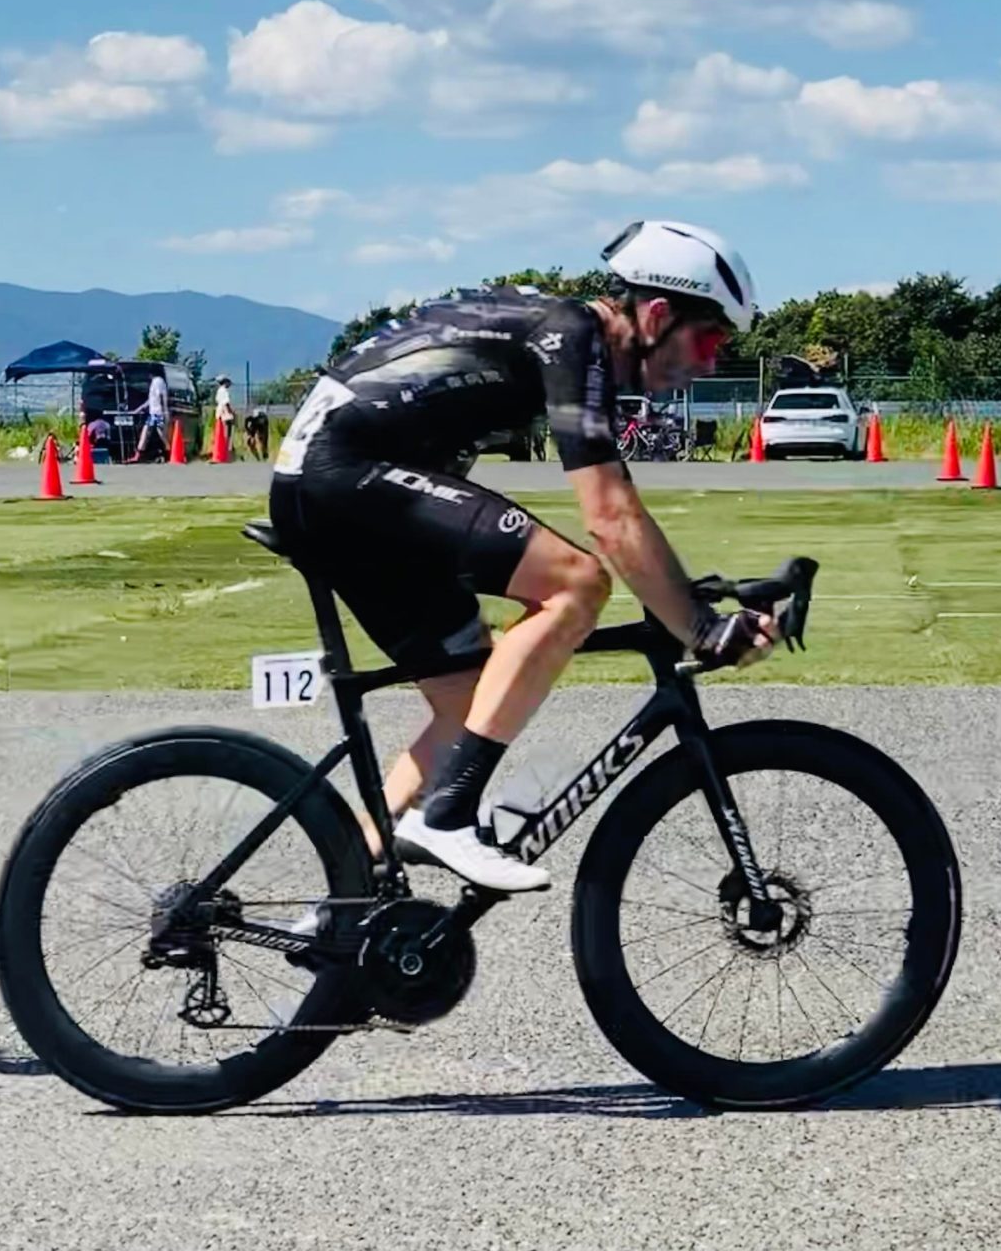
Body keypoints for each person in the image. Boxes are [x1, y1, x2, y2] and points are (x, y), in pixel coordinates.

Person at [268, 219, 776, 893]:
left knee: (473, 699)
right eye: (709, 339)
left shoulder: (568, 337)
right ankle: (447, 817)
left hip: (338, 483)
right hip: (342, 477)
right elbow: (610, 517)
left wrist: (685, 597)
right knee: (577, 584)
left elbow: (619, 508)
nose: (710, 364)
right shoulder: (572, 334)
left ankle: (347, 899)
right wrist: (702, 629)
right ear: (657, 315)